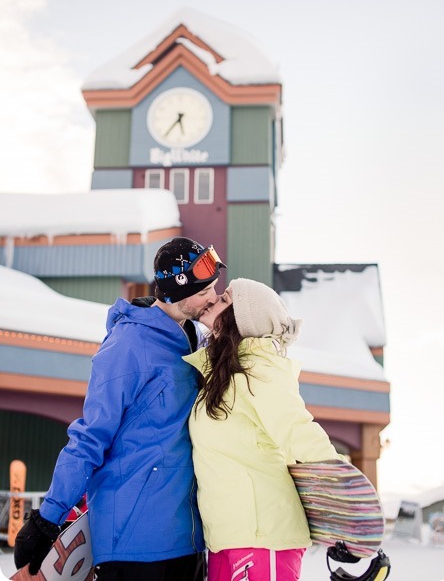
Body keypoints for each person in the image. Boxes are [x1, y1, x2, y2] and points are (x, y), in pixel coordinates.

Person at [14, 236, 226, 581]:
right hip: (136, 540)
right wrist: (48, 517)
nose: (213, 297)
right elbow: (91, 435)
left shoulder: (194, 341)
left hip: (187, 537)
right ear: (176, 291)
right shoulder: (128, 346)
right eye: (204, 291)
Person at [183, 278, 341, 581]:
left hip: (263, 534)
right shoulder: (220, 376)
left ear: (242, 318)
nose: (214, 299)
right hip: (226, 536)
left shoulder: (259, 368)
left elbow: (297, 430)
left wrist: (345, 505)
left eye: (225, 299)